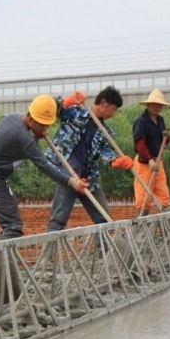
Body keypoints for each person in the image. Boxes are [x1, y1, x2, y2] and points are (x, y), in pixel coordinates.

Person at [0, 94, 88, 246]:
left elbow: (19, 145)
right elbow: (43, 165)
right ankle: (0, 267)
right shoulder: (24, 138)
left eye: (47, 125)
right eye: (42, 125)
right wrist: (71, 181)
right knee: (13, 227)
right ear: (30, 119)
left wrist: (36, 135)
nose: (45, 129)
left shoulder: (12, 119)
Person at [45, 86, 133, 232]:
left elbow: (105, 151)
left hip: (88, 178)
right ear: (103, 103)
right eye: (113, 109)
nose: (114, 114)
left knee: (103, 219)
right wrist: (67, 101)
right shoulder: (75, 114)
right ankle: (48, 255)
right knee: (58, 220)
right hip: (69, 175)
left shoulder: (107, 131)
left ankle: (102, 253)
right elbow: (51, 109)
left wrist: (115, 160)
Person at [133, 89, 170, 215]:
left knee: (163, 194)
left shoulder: (160, 120)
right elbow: (140, 144)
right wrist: (149, 160)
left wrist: (167, 137)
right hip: (144, 163)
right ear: (148, 105)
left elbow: (162, 142)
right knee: (143, 197)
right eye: (155, 104)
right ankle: (141, 231)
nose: (157, 107)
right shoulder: (141, 121)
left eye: (160, 105)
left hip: (157, 160)